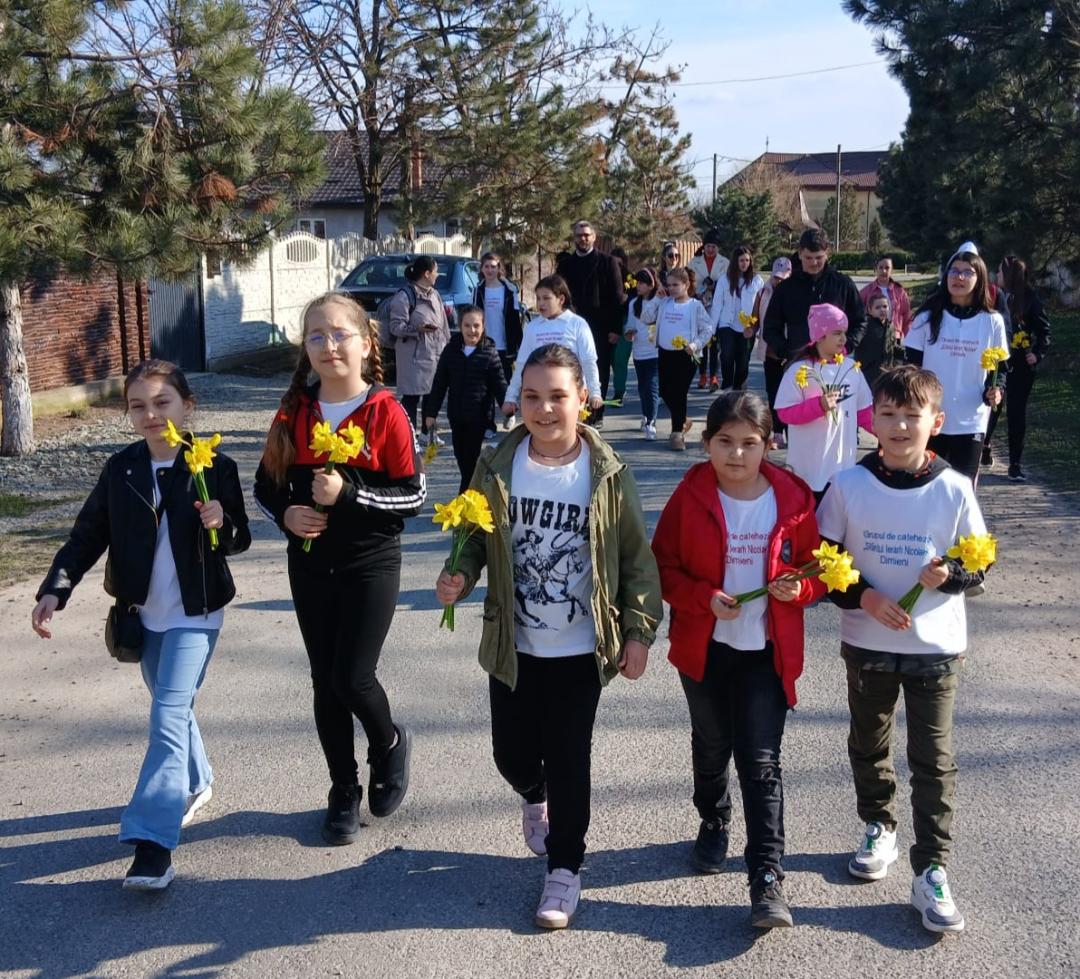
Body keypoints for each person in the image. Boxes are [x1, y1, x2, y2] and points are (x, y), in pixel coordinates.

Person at [435, 343, 661, 930]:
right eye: (532, 396)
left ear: (583, 398)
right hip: (513, 644)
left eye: (558, 396)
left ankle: (565, 866)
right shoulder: (498, 464)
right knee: (510, 754)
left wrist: (638, 631)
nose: (544, 409)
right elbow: (473, 534)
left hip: (580, 648)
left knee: (569, 757)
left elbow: (636, 559)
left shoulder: (607, 473)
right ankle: (532, 793)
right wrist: (461, 573)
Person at [31, 359, 251, 890]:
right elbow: (88, 534)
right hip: (140, 615)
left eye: (162, 403)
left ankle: (152, 842)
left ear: (187, 406)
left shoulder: (212, 464)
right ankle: (197, 779)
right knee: (172, 710)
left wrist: (221, 521)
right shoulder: (122, 468)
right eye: (138, 406)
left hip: (196, 614)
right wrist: (55, 588)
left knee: (168, 712)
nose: (151, 415)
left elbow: (240, 538)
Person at [817, 365, 993, 935]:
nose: (898, 426)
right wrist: (864, 597)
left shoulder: (954, 487)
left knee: (933, 758)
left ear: (936, 422)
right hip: (867, 641)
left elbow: (980, 562)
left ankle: (932, 868)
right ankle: (879, 825)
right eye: (888, 415)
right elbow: (824, 562)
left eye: (911, 416)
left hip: (934, 648)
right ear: (872, 420)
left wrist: (952, 575)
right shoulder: (848, 484)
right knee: (869, 743)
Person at [255, 293, 425, 846]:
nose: (329, 346)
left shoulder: (386, 411)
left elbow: (413, 496)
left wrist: (348, 495)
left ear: (367, 343)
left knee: (352, 677)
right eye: (316, 336)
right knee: (324, 683)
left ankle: (389, 743)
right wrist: (287, 514)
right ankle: (343, 790)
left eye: (339, 334)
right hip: (309, 568)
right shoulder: (294, 411)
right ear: (305, 348)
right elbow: (264, 487)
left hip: (370, 563)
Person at [652, 390, 824, 929]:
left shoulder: (793, 499)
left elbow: (819, 570)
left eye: (750, 443)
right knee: (712, 744)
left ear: (769, 445)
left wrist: (799, 589)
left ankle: (767, 874)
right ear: (706, 443)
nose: (737, 454)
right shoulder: (689, 497)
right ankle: (713, 818)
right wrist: (702, 597)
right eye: (725, 442)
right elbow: (663, 568)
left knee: (760, 759)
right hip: (705, 647)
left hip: (767, 653)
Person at [903, 249, 1007, 482]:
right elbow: (911, 368)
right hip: (928, 417)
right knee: (926, 485)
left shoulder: (993, 322)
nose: (959, 277)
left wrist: (995, 390)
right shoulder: (926, 318)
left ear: (980, 278)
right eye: (954, 271)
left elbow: (999, 370)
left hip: (971, 420)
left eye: (967, 272)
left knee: (962, 489)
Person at [775, 304, 873, 506]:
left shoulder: (852, 369)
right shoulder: (800, 370)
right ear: (819, 336)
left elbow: (864, 412)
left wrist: (888, 433)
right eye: (837, 333)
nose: (843, 339)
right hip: (808, 469)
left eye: (844, 333)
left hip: (842, 468)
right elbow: (784, 413)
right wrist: (818, 406)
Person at [423, 305, 508, 493]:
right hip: (456, 416)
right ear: (460, 326)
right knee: (461, 458)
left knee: (470, 461)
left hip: (478, 418)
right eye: (467, 325)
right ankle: (473, 494)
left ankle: (466, 498)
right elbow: (439, 384)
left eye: (476, 326)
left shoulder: (489, 353)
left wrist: (507, 406)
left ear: (483, 327)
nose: (472, 330)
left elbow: (499, 384)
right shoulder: (450, 351)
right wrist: (431, 413)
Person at [983, 255, 1051, 480]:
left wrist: (1037, 353)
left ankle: (1015, 464)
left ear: (1010, 275)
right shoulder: (994, 296)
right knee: (991, 406)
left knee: (1016, 413)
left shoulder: (1030, 298)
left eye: (1000, 272)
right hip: (997, 362)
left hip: (1020, 365)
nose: (997, 275)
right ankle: (984, 444)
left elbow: (1044, 330)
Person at [555, 220, 626, 428]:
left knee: (598, 369)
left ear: (594, 237)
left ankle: (596, 413)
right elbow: (558, 295)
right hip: (571, 326)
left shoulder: (608, 262)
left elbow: (618, 298)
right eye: (579, 235)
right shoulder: (566, 265)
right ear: (574, 238)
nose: (583, 238)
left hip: (601, 328)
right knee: (571, 368)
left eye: (587, 235)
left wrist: (616, 329)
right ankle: (574, 412)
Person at [502, 275, 603, 418]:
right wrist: (510, 397)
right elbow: (522, 364)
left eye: (546, 298)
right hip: (540, 396)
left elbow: (589, 361)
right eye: (538, 298)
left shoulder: (577, 324)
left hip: (569, 394)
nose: (541, 303)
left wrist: (595, 393)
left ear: (561, 299)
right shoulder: (532, 327)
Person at [638, 267, 714, 451]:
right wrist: (657, 298)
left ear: (686, 285)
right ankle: (682, 420)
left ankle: (677, 433)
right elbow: (645, 317)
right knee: (664, 390)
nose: (671, 289)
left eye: (675, 285)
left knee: (679, 392)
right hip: (665, 353)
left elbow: (708, 329)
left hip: (686, 355)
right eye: (669, 285)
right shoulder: (664, 303)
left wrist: (695, 345)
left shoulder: (695, 306)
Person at [763, 229, 867, 362]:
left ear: (827, 253)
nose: (813, 263)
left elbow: (860, 321)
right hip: (798, 363)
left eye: (818, 258)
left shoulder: (843, 284)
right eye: (808, 258)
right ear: (800, 253)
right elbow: (770, 328)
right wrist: (787, 352)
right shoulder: (785, 288)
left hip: (834, 362)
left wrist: (845, 347)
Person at [389, 255, 451, 439]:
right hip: (413, 357)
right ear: (427, 273)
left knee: (432, 396)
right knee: (411, 397)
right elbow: (395, 327)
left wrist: (448, 347)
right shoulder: (404, 296)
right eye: (436, 271)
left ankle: (427, 433)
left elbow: (444, 324)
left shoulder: (435, 294)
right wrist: (417, 329)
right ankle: (407, 436)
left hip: (434, 354)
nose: (438, 275)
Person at [472, 251, 524, 432]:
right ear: (482, 269)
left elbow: (515, 320)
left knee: (504, 383)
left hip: (504, 345)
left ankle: (509, 414)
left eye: (493, 266)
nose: (490, 270)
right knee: (485, 386)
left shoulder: (509, 290)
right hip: (484, 344)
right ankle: (488, 424)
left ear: (499, 268)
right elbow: (473, 316)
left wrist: (518, 345)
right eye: (486, 266)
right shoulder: (478, 290)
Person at [751, 256, 793, 447]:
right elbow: (755, 317)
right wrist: (750, 328)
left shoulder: (795, 293)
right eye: (776, 277)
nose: (779, 281)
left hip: (791, 351)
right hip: (770, 350)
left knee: (791, 393)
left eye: (783, 278)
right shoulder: (763, 292)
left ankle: (791, 431)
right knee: (773, 392)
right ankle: (777, 432)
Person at [712, 246, 765, 392]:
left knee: (743, 360)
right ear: (735, 261)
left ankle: (739, 390)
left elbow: (761, 306)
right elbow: (717, 305)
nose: (744, 264)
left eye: (747, 260)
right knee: (727, 355)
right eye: (741, 260)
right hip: (727, 324)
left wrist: (757, 329)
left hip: (747, 328)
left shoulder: (757, 281)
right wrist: (712, 329)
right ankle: (728, 386)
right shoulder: (724, 280)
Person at [688, 229, 731, 390]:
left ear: (718, 247)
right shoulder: (694, 262)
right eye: (708, 246)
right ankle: (702, 375)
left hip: (716, 306)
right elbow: (688, 281)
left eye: (714, 246)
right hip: (699, 304)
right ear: (704, 246)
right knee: (700, 341)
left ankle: (713, 376)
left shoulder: (725, 263)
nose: (710, 249)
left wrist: (715, 286)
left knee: (714, 343)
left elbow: (729, 283)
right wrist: (697, 292)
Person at [622, 267, 661, 439]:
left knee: (652, 386)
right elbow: (630, 324)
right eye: (637, 282)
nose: (638, 286)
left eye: (642, 283)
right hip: (639, 351)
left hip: (656, 351)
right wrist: (629, 332)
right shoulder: (633, 303)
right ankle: (646, 415)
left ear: (651, 284)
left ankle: (651, 422)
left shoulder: (660, 301)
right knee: (643, 386)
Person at [854, 292, 901, 389]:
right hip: (867, 375)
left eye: (885, 306)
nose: (882, 310)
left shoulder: (890, 326)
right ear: (869, 310)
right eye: (877, 307)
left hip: (887, 374)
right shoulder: (865, 325)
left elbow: (892, 347)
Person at [858, 255, 912, 338]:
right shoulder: (866, 291)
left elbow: (907, 318)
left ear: (892, 270)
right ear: (876, 269)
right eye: (881, 268)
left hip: (894, 337)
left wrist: (908, 338)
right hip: (872, 337)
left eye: (887, 268)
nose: (884, 271)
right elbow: (857, 315)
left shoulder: (900, 292)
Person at [609, 246, 634, 406]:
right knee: (610, 358)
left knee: (620, 359)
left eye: (620, 263)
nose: (617, 267)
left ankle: (619, 392)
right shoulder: (606, 277)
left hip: (625, 321)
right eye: (614, 263)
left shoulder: (631, 280)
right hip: (609, 323)